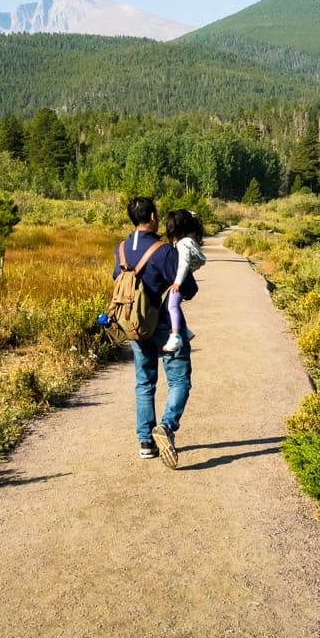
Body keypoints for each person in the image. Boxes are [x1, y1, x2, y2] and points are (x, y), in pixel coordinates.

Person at [113, 197, 198, 468]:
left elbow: (119, 278)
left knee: (144, 382)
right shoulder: (163, 251)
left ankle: (146, 443)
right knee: (179, 380)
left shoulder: (122, 249)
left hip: (136, 324)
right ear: (151, 216)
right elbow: (189, 289)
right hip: (165, 324)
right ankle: (166, 426)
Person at [163, 209, 206, 354]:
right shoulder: (190, 240)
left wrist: (177, 282)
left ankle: (176, 336)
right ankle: (185, 332)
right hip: (187, 278)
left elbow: (184, 263)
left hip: (181, 280)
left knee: (171, 306)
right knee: (173, 306)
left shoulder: (183, 244)